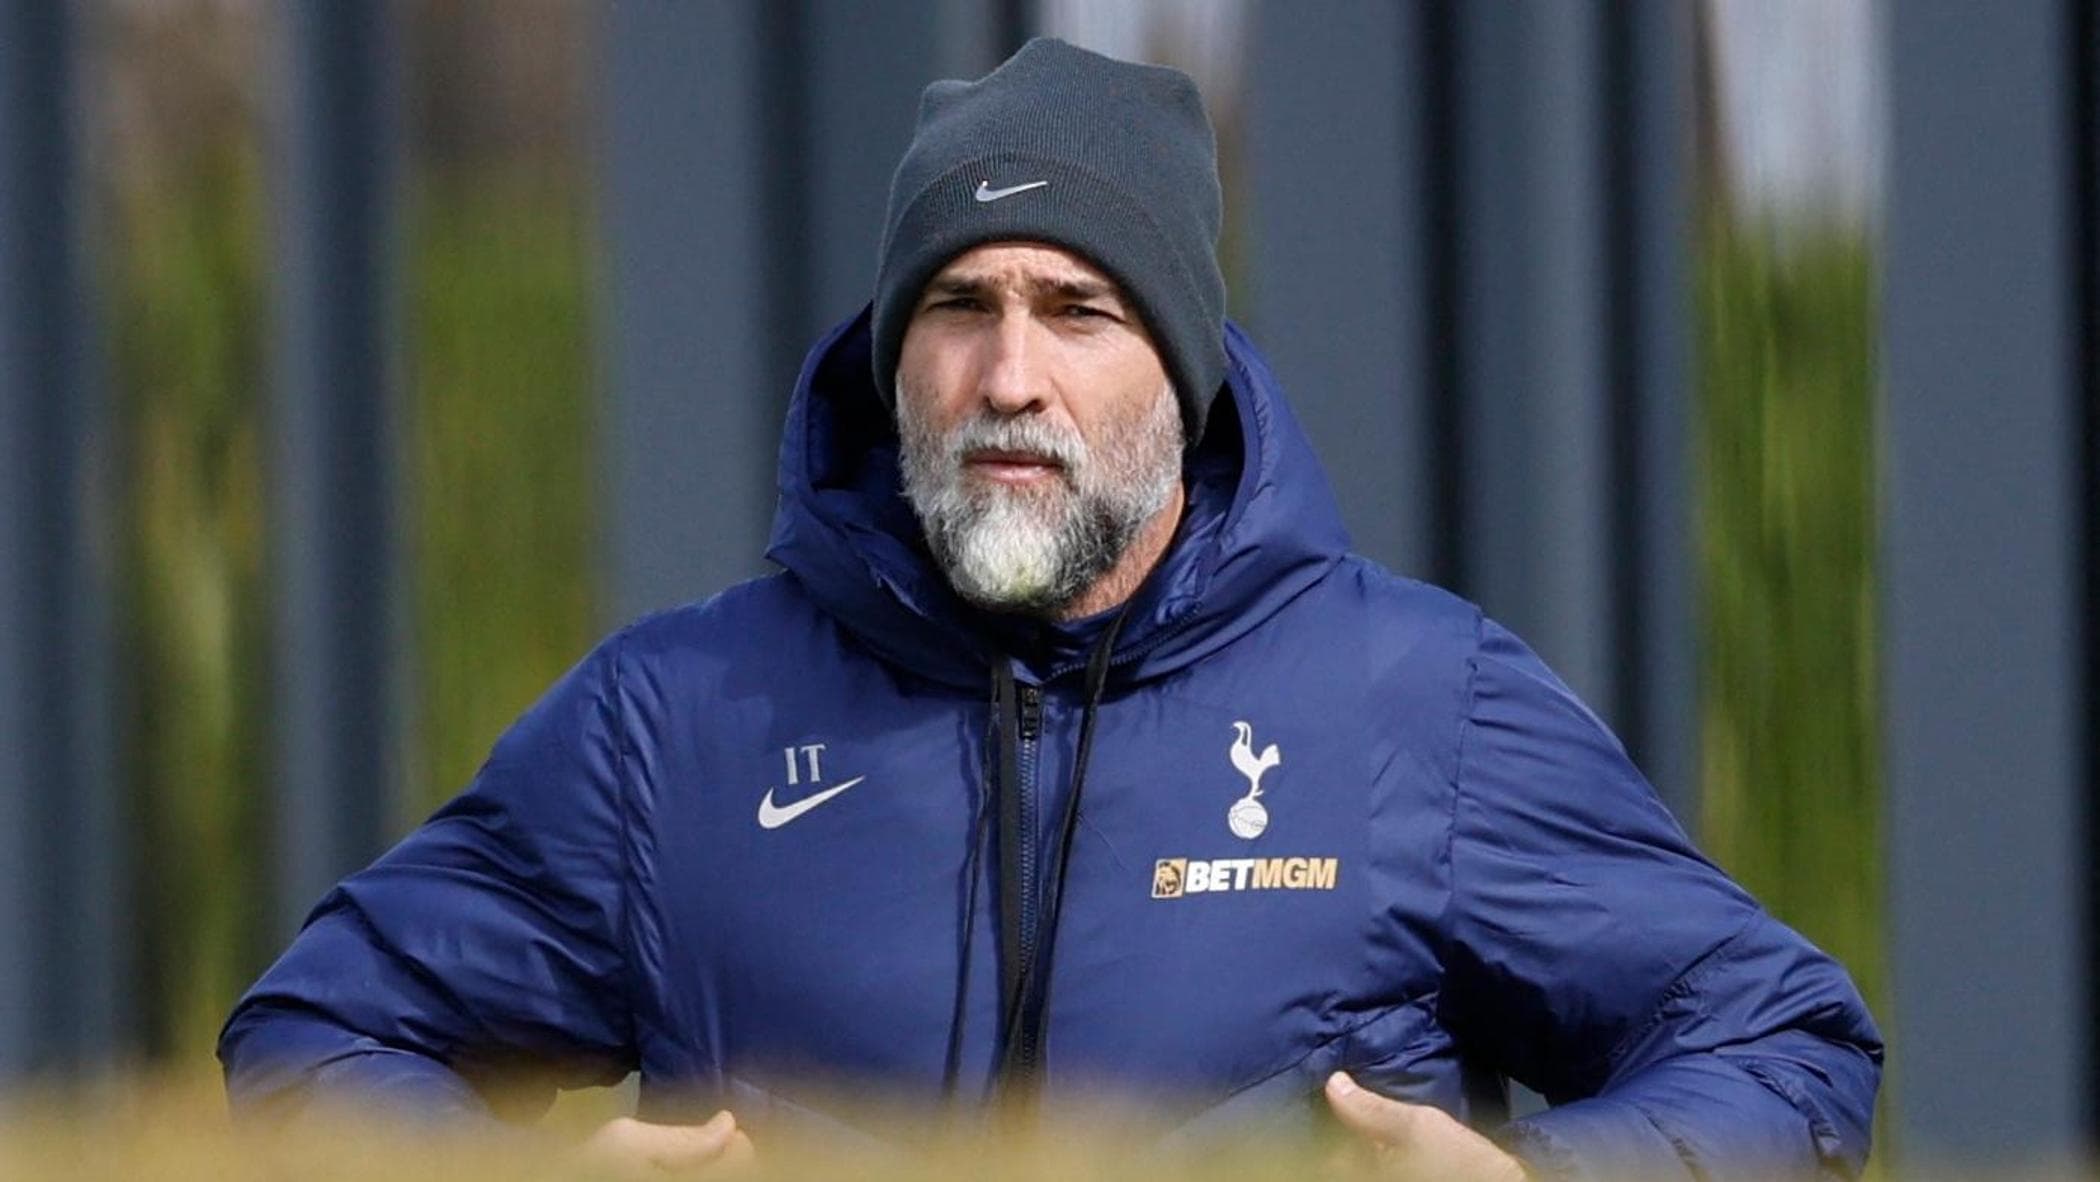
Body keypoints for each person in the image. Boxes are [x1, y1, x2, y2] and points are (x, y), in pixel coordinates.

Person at [220, 38, 1881, 1179]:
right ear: (895, 360)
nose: (1010, 373)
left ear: (1184, 368)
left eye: (1078, 307)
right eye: (959, 305)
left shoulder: (1414, 704)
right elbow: (314, 1034)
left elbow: (1788, 1044)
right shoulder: (679, 722)